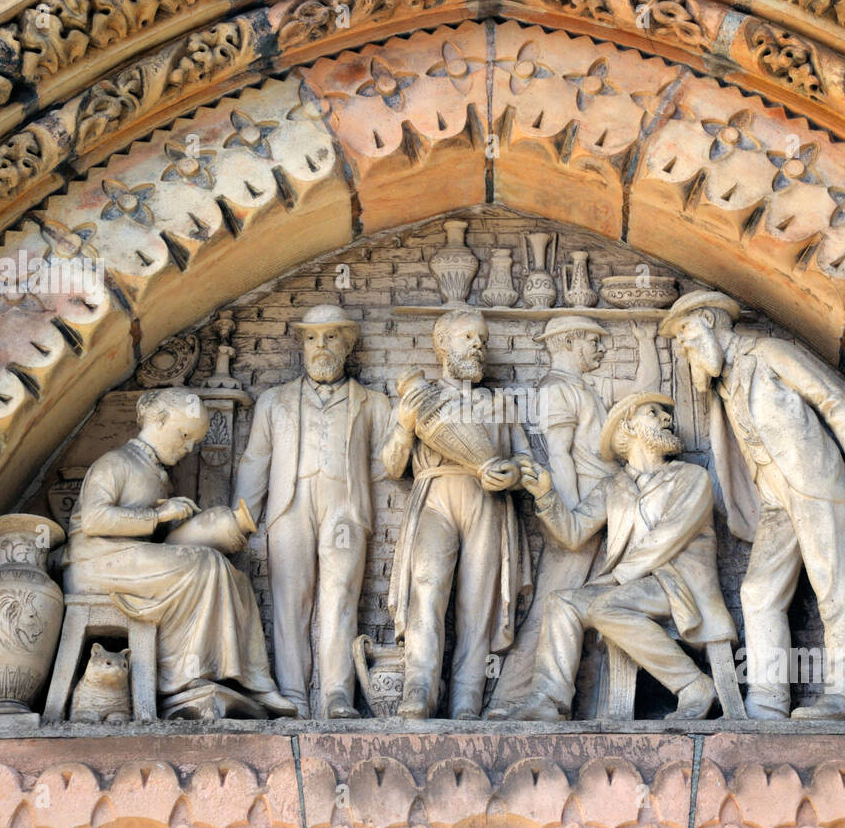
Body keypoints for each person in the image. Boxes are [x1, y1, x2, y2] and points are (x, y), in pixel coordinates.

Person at [660, 290, 845, 721]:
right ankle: (767, 701)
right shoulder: (722, 382)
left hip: (813, 480)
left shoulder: (769, 352)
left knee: (833, 584)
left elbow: (832, 399)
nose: (683, 346)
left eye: (686, 332)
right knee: (757, 591)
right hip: (772, 497)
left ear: (711, 321)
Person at [62, 387, 296, 716]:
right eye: (184, 435)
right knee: (205, 565)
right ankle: (183, 676)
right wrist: (158, 516)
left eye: (193, 442)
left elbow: (159, 543)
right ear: (159, 421)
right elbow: (94, 518)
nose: (187, 448)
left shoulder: (158, 475)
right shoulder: (117, 462)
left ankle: (256, 681)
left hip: (131, 560)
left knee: (236, 578)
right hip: (97, 560)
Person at [512, 393, 740, 721]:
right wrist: (545, 494)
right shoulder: (614, 486)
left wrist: (615, 579)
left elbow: (669, 536)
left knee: (605, 606)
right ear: (628, 427)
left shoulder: (691, 478)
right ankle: (549, 700)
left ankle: (694, 685)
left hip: (680, 584)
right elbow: (574, 532)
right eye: (653, 412)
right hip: (633, 587)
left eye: (665, 414)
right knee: (562, 602)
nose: (666, 419)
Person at [488, 315, 659, 718]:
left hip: (604, 513)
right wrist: (566, 520)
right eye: (593, 342)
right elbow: (558, 454)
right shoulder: (557, 389)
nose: (601, 349)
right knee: (555, 602)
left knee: (589, 606)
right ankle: (511, 700)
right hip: (578, 512)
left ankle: (588, 704)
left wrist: (646, 338)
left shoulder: (589, 387)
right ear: (568, 343)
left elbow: (643, 390)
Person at [234, 304, 392, 719]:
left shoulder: (372, 403)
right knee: (290, 600)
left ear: (349, 344)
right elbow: (255, 461)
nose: (320, 346)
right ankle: (294, 696)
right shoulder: (274, 401)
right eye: (311, 338)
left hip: (345, 506)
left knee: (341, 598)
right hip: (289, 505)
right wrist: (241, 519)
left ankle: (336, 696)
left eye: (331, 337)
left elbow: (390, 463)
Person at [381, 308, 532, 719]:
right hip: (435, 493)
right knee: (427, 588)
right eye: (468, 338)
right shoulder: (420, 399)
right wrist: (404, 426)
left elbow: (525, 462)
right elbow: (392, 466)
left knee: (477, 603)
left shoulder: (499, 403)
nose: (478, 346)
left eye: (481, 339)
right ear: (443, 344)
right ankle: (420, 689)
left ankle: (467, 698)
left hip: (488, 502)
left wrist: (514, 474)